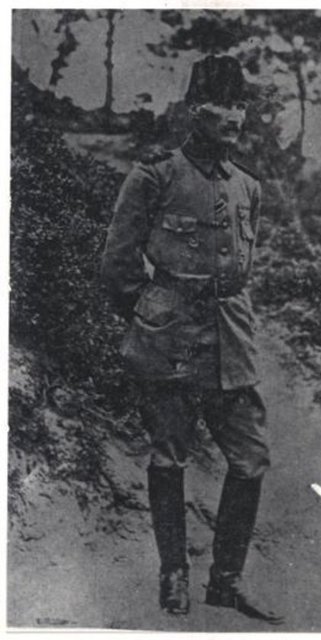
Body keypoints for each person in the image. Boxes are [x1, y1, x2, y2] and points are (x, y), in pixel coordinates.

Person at [101, 55, 283, 625]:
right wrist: (151, 314)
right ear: (194, 110)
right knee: (169, 455)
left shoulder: (248, 186)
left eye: (240, 104)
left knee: (250, 458)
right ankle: (173, 578)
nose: (234, 116)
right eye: (221, 104)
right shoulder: (155, 176)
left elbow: (241, 268)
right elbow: (117, 263)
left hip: (231, 340)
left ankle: (226, 583)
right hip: (171, 338)